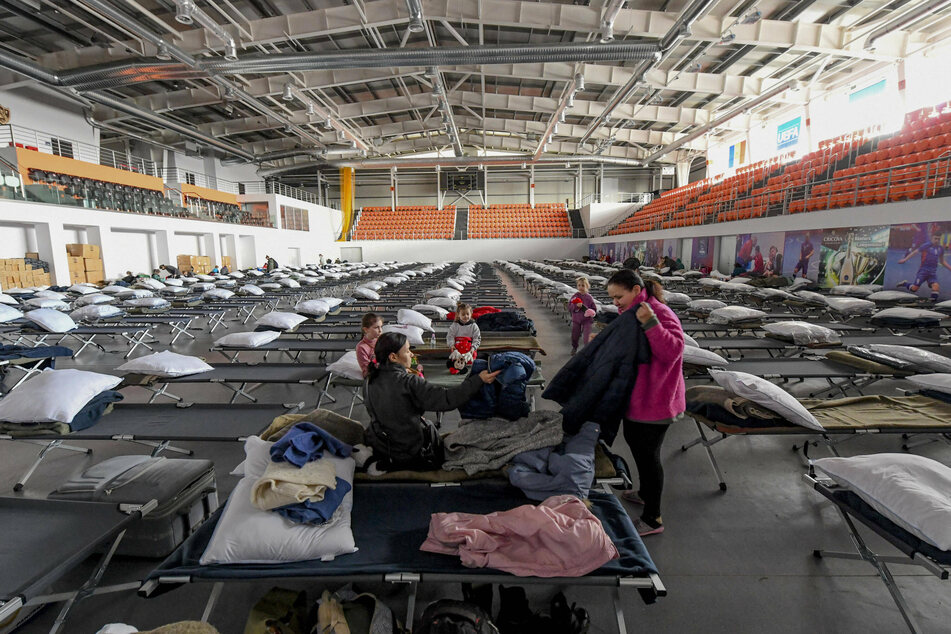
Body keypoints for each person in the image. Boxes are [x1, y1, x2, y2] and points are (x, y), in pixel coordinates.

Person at [606, 268, 685, 537]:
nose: (615, 302)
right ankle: (644, 493)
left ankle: (653, 518)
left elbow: (673, 350)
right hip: (638, 399)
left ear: (636, 291)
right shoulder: (631, 311)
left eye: (619, 296)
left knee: (649, 457)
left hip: (656, 400)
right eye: (612, 298)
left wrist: (651, 323)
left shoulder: (659, 313)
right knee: (637, 447)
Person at [363, 332, 499, 470]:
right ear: (393, 357)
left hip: (381, 448)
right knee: (429, 427)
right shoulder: (409, 382)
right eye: (407, 350)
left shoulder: (369, 381)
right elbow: (447, 399)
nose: (411, 354)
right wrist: (478, 380)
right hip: (408, 454)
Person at [897, 232, 951, 300]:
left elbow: (942, 262)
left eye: (938, 239)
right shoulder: (926, 246)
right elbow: (915, 252)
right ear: (932, 238)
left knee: (936, 287)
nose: (937, 240)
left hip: (932, 273)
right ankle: (905, 284)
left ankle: (931, 302)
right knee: (914, 289)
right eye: (935, 238)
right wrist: (904, 259)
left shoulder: (940, 249)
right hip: (923, 271)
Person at [568, 277, 596, 355]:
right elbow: (569, 307)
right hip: (576, 319)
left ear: (587, 286)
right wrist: (576, 306)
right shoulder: (575, 296)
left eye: (583, 285)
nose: (581, 287)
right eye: (579, 285)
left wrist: (591, 312)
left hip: (587, 320)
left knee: (587, 337)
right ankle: (574, 347)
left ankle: (586, 351)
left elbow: (594, 308)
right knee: (575, 335)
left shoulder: (589, 297)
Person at [356, 312, 384, 377]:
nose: (380, 330)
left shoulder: (382, 340)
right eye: (376, 327)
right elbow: (367, 369)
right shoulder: (361, 347)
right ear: (366, 329)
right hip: (374, 375)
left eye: (381, 327)